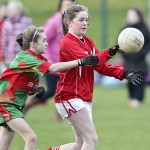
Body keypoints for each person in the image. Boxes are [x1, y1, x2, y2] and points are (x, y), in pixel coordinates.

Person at [48, 4, 144, 150]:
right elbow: (91, 61)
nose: (85, 23)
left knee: (80, 144)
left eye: (87, 20)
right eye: (81, 20)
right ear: (69, 22)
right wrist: (112, 51)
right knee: (91, 139)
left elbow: (100, 66)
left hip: (83, 96)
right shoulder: (67, 42)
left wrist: (123, 73)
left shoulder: (88, 41)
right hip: (69, 96)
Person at [0, 25, 99, 150]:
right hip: (6, 104)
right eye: (43, 40)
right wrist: (81, 61)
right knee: (31, 138)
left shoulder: (35, 59)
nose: (47, 43)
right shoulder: (26, 57)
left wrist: (36, 89)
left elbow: (20, 81)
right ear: (33, 44)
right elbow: (53, 68)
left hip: (15, 105)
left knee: (3, 146)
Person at [24, 0, 76, 121]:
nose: (69, 8)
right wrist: (47, 58)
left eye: (71, 5)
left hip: (68, 64)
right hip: (54, 64)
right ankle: (29, 104)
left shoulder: (75, 22)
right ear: (60, 7)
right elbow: (41, 39)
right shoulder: (54, 21)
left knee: (67, 91)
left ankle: (60, 117)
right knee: (51, 91)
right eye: (66, 5)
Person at [120, 8, 150, 107]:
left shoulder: (144, 29)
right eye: (129, 15)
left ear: (139, 16)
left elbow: (147, 45)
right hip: (129, 61)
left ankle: (138, 99)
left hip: (140, 61)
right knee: (130, 78)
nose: (131, 18)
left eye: (133, 15)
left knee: (140, 78)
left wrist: (138, 54)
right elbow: (120, 44)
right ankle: (132, 98)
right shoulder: (125, 30)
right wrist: (127, 55)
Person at [1, 0, 33, 67]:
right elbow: (4, 41)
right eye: (9, 10)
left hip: (23, 56)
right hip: (10, 57)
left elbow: (32, 37)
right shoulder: (7, 24)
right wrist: (2, 55)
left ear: (19, 10)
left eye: (13, 9)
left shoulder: (26, 21)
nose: (11, 12)